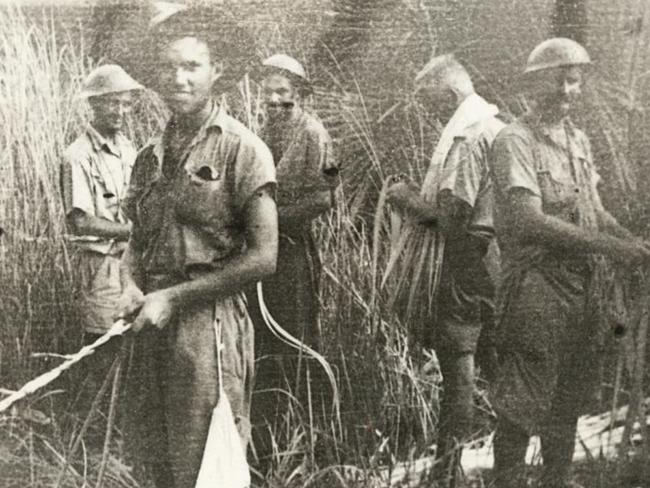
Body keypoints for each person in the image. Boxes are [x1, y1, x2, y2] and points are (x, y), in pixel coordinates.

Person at [117, 6, 278, 488]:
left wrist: (175, 299)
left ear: (216, 72)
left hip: (207, 329)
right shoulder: (149, 157)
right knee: (152, 462)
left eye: (191, 66)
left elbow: (264, 256)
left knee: (206, 468)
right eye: (168, 67)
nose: (178, 78)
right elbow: (136, 240)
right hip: (150, 324)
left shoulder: (242, 149)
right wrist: (129, 284)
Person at [490, 38, 650, 488]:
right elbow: (529, 220)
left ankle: (556, 481)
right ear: (534, 84)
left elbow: (595, 210)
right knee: (522, 403)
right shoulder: (513, 141)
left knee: (567, 402)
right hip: (537, 290)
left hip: (584, 292)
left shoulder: (578, 140)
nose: (567, 90)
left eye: (574, 79)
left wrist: (632, 243)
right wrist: (611, 248)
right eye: (557, 79)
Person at [386, 54, 504, 487]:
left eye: (429, 99)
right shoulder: (495, 125)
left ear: (450, 93)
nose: (426, 108)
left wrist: (404, 198)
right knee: (491, 360)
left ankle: (447, 471)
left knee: (458, 362)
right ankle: (496, 463)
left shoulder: (469, 136)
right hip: (495, 259)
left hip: (467, 259)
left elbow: (454, 219)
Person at [249, 53, 339, 454]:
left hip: (293, 253)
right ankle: (266, 432)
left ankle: (305, 434)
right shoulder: (262, 133)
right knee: (263, 340)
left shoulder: (313, 134)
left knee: (296, 338)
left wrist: (272, 221)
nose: (273, 99)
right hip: (260, 255)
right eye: (267, 91)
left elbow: (324, 199)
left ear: (299, 94)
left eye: (282, 92)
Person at [61, 64, 143, 399]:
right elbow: (80, 222)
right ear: (94, 105)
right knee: (103, 347)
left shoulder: (129, 149)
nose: (121, 112)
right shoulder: (77, 156)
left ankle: (123, 430)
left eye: (126, 104)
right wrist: (134, 232)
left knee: (134, 344)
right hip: (101, 268)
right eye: (113, 104)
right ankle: (92, 436)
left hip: (132, 263)